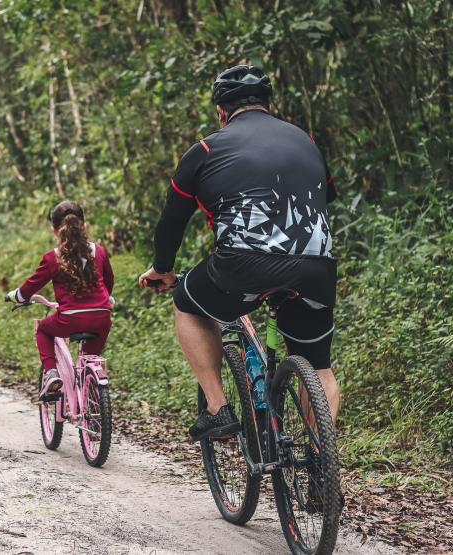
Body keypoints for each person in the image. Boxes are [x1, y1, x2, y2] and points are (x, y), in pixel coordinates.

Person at [138, 65, 340, 442]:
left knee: (187, 302)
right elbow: (325, 195)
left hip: (244, 266)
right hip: (317, 266)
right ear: (267, 104)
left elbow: (171, 223)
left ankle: (218, 408)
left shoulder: (204, 151)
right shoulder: (306, 141)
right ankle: (322, 463)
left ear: (220, 111)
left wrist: (163, 269)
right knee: (320, 369)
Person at [6, 201, 114, 400]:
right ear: (84, 226)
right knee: (90, 360)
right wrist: (107, 298)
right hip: (102, 317)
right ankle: (91, 400)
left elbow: (30, 287)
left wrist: (16, 296)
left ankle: (51, 373)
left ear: (55, 231)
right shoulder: (98, 251)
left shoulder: (53, 257)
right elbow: (109, 281)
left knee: (43, 330)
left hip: (69, 320)